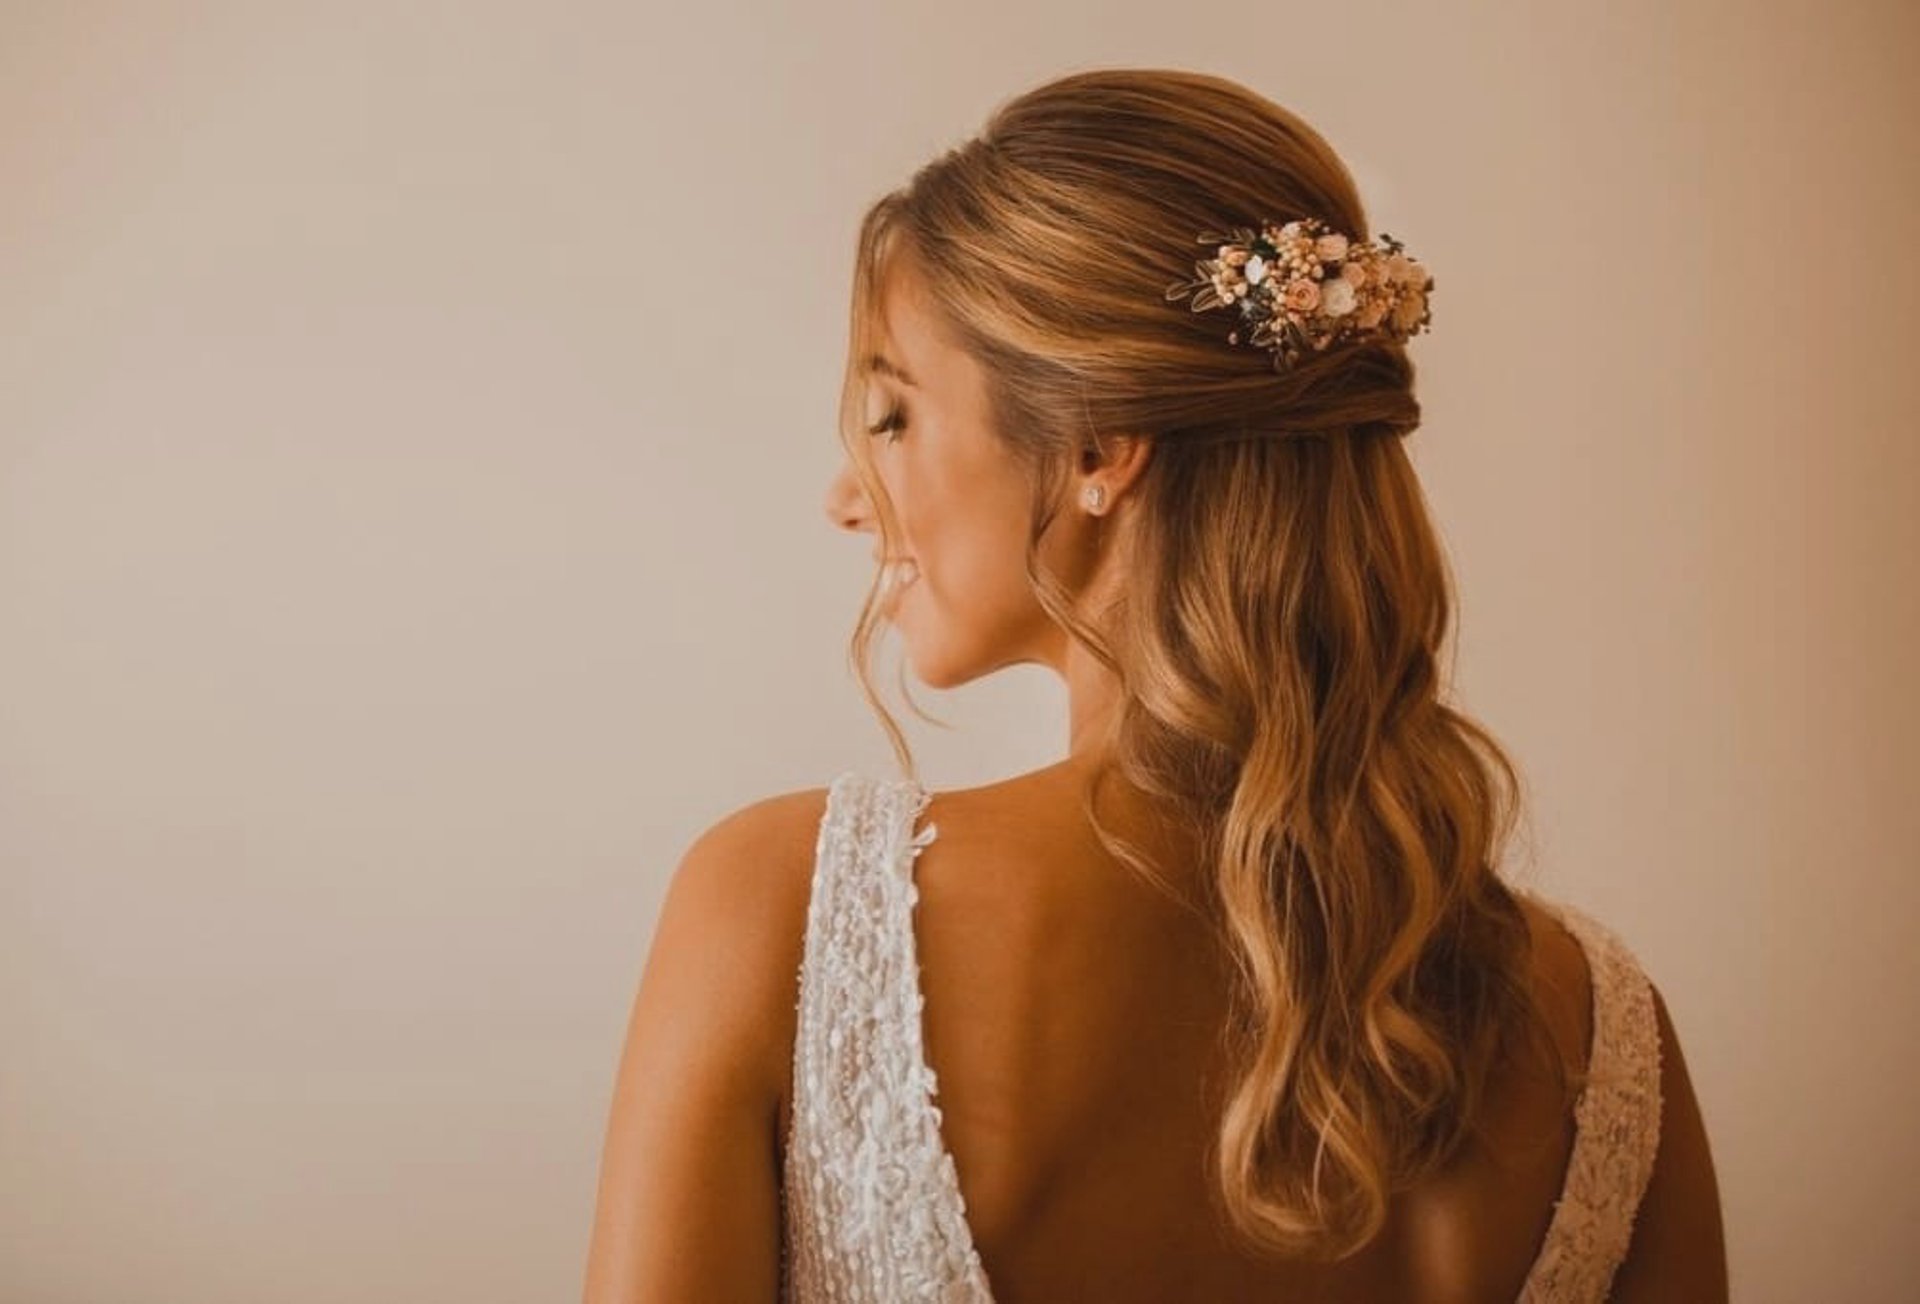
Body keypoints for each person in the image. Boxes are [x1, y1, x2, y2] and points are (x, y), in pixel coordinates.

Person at [582, 67, 1728, 1302]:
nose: (848, 493)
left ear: (1095, 446)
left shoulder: (783, 915)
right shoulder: (1598, 1029)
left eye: (892, 413)